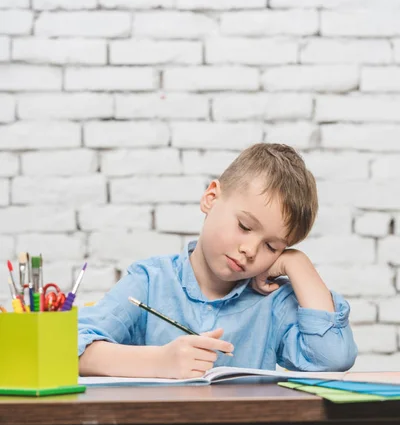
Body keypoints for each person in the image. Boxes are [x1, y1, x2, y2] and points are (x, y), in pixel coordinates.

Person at [78, 143, 357, 378]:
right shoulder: (150, 282)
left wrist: (297, 263)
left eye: (272, 247)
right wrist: (159, 362)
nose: (250, 250)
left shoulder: (272, 303)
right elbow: (67, 349)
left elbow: (333, 357)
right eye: (245, 227)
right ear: (211, 198)